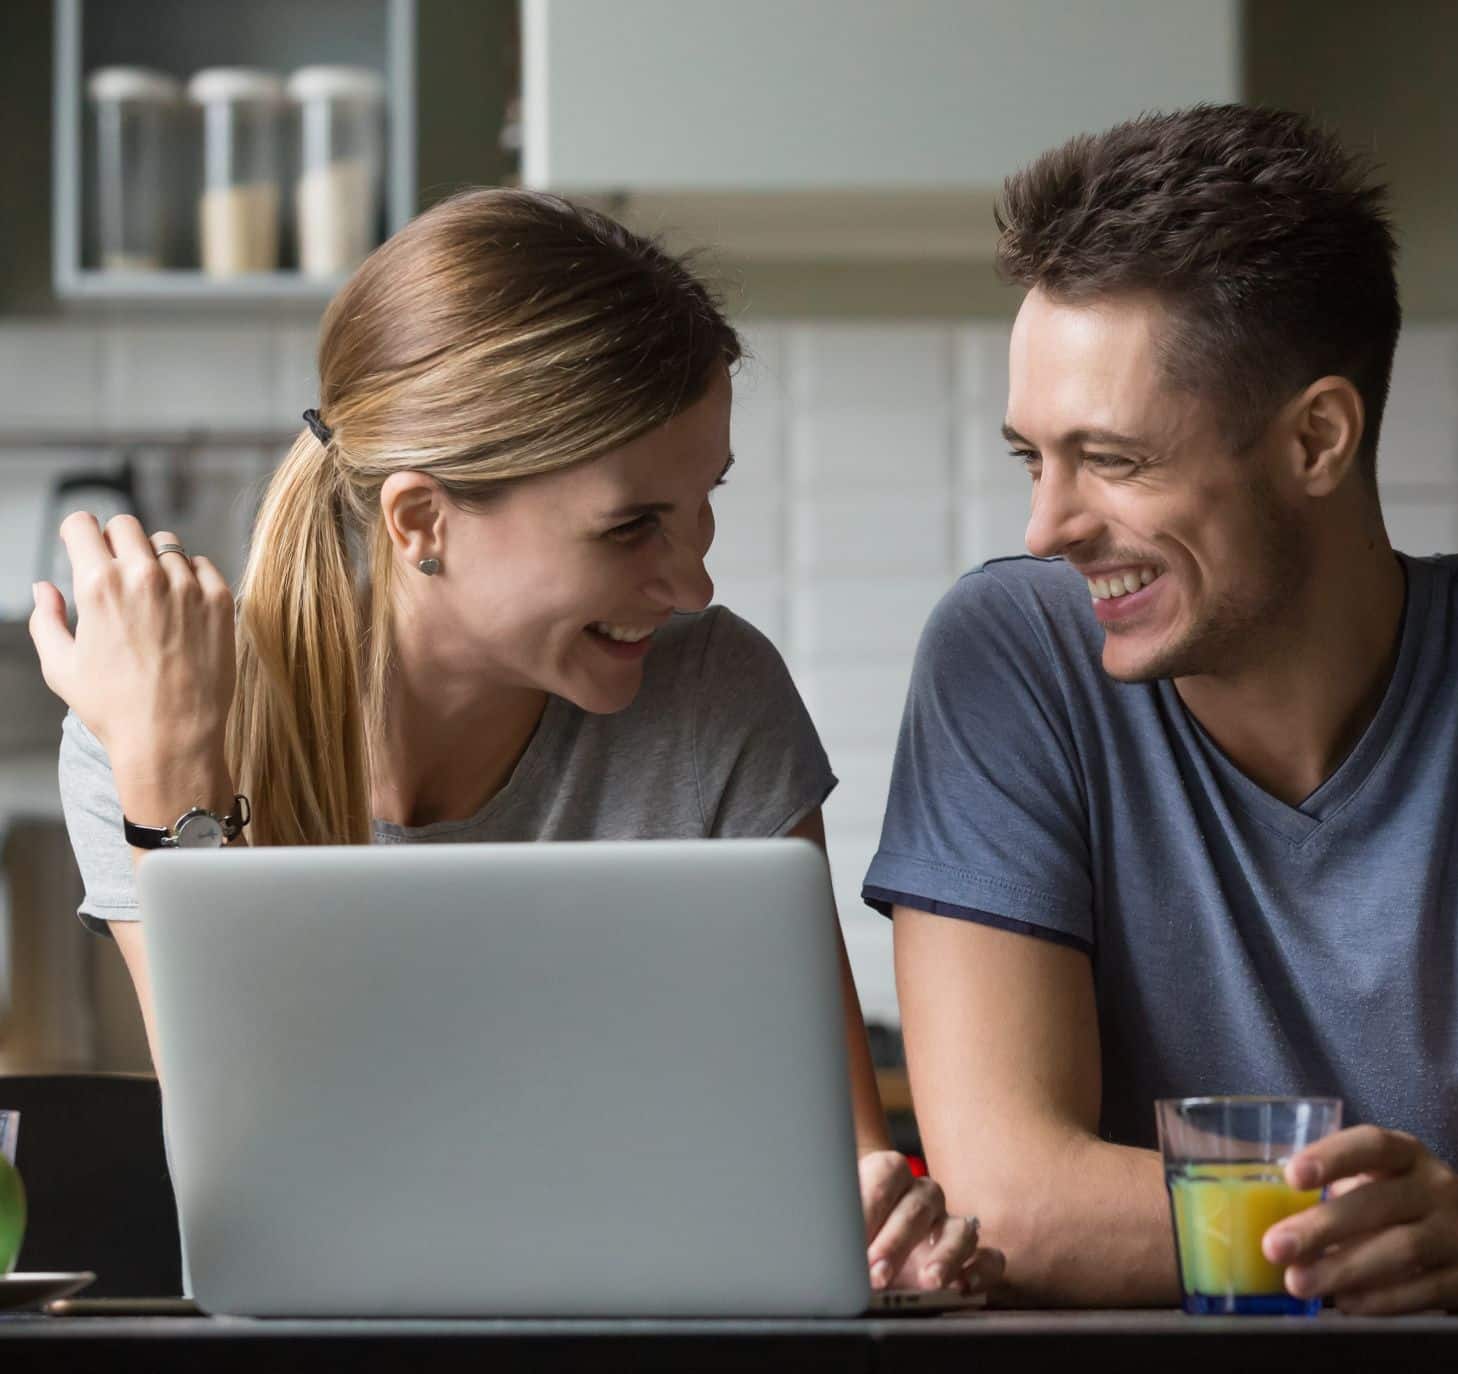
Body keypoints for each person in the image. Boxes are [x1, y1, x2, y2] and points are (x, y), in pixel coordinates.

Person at [868, 104, 1458, 1312]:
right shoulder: (1004, 662)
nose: (1046, 527)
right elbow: (1013, 1198)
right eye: (1033, 457)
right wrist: (1407, 1236)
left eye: (1110, 460)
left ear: (1315, 438)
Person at [30, 187, 1000, 1299]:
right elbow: (267, 1202)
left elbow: (841, 1173)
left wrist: (887, 1229)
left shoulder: (714, 696)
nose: (693, 582)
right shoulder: (153, 728)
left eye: (701, 504)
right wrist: (174, 777)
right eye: (631, 524)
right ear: (420, 522)